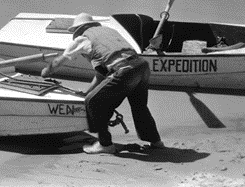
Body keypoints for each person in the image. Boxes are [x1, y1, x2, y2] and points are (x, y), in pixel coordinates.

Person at [41, 12, 164, 154]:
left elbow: (58, 62)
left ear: (79, 29)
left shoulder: (82, 39)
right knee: (139, 107)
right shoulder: (108, 32)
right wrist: (88, 91)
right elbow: (101, 75)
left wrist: (45, 71)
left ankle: (105, 144)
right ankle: (156, 141)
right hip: (141, 67)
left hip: (124, 69)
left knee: (93, 102)